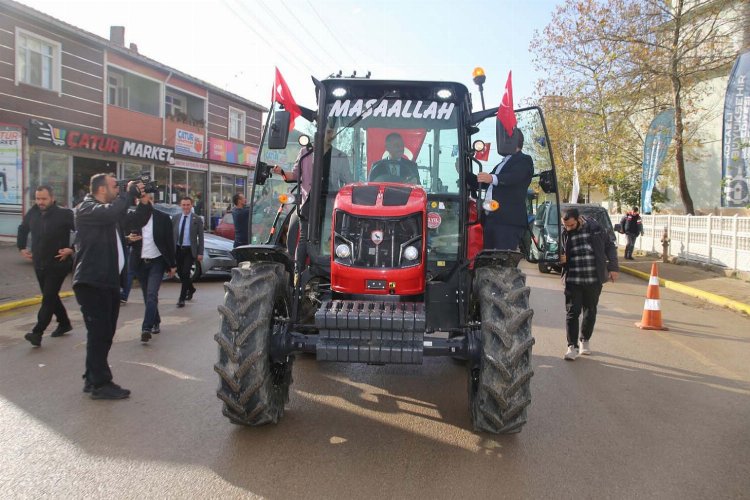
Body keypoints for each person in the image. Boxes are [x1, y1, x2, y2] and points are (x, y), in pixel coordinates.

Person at [73, 173, 151, 399]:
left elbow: (135, 220)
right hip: (91, 281)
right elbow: (111, 212)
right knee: (100, 333)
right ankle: (100, 383)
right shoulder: (87, 208)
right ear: (100, 189)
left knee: (103, 333)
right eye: (114, 186)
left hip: (106, 282)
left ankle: (91, 377)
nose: (118, 190)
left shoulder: (109, 212)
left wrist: (144, 204)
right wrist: (128, 194)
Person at [17, 185, 75, 347]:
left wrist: (71, 249)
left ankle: (37, 332)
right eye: (38, 198)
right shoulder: (33, 213)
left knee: (48, 298)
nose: (40, 202)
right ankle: (64, 323)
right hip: (39, 263)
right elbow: (23, 229)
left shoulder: (64, 214)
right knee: (51, 296)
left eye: (44, 199)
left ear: (52, 198)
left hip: (58, 263)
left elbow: (82, 232)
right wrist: (22, 247)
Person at [560, 207, 619, 361]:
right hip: (573, 279)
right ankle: (571, 346)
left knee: (590, 310)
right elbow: (557, 252)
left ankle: (584, 340)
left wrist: (613, 268)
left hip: (593, 279)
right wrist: (559, 259)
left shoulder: (596, 229)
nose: (568, 228)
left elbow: (610, 246)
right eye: (565, 225)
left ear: (579, 219)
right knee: (572, 312)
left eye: (571, 225)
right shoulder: (564, 233)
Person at [471, 130, 534, 250]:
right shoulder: (503, 163)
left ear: (512, 141)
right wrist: (464, 174)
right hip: (492, 218)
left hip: (508, 221)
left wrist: (492, 178)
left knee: (502, 257)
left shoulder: (524, 160)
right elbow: (485, 182)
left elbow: (514, 177)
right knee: (487, 256)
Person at [127, 193, 177, 342]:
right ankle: (156, 320)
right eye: (141, 199)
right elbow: (126, 236)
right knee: (146, 296)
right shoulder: (134, 217)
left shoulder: (162, 218)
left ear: (152, 201)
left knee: (151, 294)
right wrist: (129, 239)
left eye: (147, 199)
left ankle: (146, 328)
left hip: (157, 261)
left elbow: (169, 241)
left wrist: (172, 264)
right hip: (140, 262)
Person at [172, 196, 204, 307]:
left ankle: (181, 299)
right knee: (180, 273)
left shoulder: (197, 219)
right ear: (181, 206)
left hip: (190, 250)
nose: (186, 207)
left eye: (188, 205)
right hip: (178, 249)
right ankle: (191, 288)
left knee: (186, 272)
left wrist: (200, 253)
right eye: (184, 205)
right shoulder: (175, 218)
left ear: (191, 205)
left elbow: (201, 237)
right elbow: (172, 235)